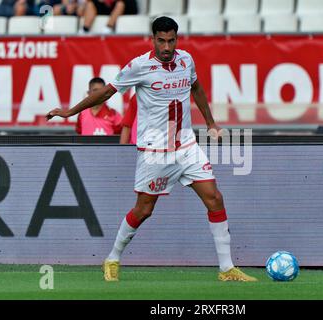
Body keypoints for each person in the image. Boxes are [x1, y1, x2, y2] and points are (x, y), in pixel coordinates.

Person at [46, 16, 257, 282]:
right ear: (153, 39)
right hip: (155, 151)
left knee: (214, 198)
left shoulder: (186, 60)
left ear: (176, 39)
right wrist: (69, 112)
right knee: (143, 210)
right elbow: (107, 93)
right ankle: (112, 258)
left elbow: (197, 88)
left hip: (187, 146)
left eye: (171, 40)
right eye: (161, 41)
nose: (167, 47)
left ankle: (227, 269)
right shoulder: (139, 66)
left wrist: (212, 123)